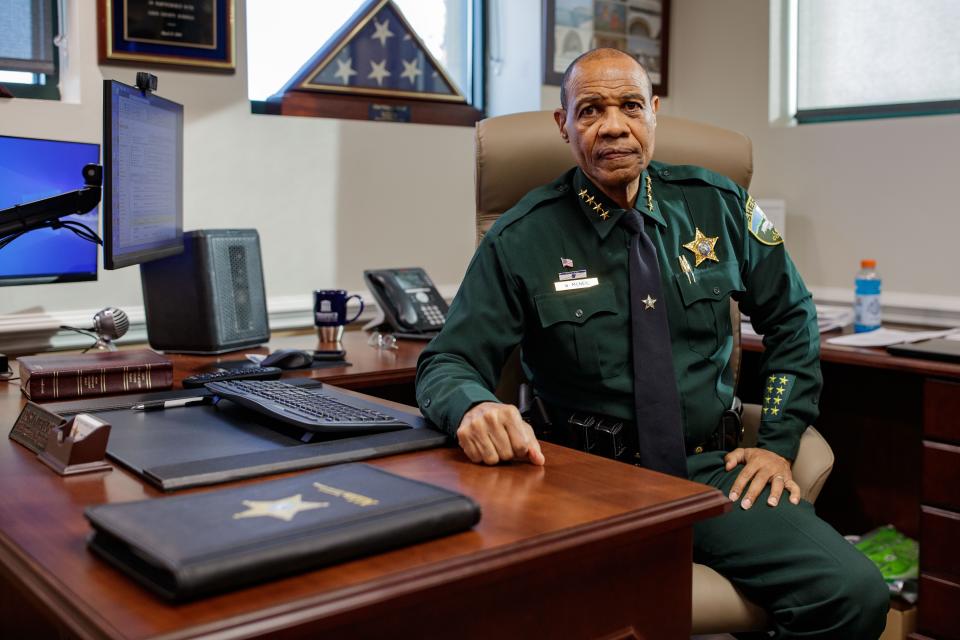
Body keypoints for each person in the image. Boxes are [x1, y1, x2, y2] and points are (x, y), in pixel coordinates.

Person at [415, 48, 888, 638]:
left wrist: (777, 440)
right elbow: (447, 361)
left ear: (653, 113)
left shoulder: (716, 205)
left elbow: (792, 319)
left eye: (630, 106)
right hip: (582, 480)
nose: (614, 125)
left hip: (711, 470)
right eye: (590, 110)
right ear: (564, 125)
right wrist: (474, 404)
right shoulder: (521, 238)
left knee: (852, 593)